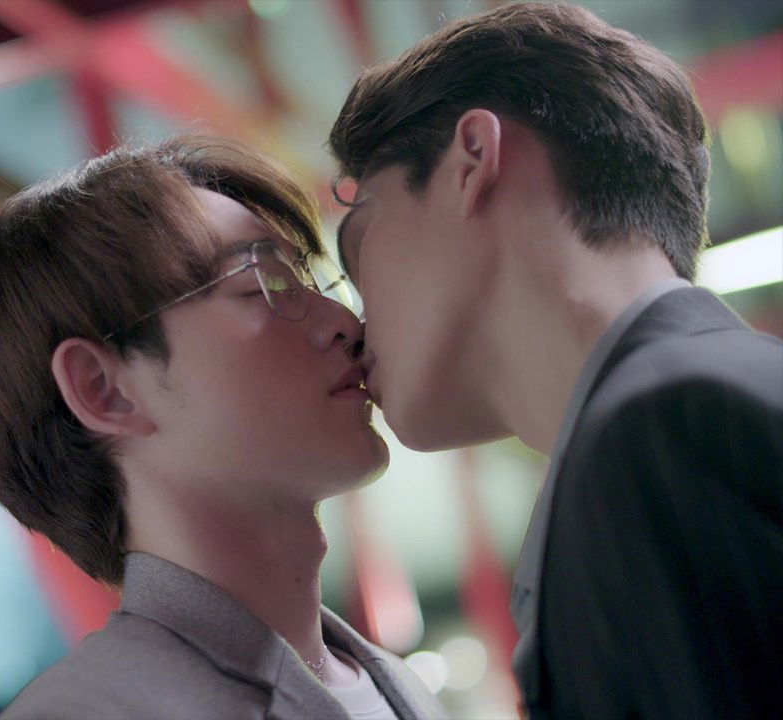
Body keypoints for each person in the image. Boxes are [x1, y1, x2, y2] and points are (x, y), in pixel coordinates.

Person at [327, 3, 783, 719]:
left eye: (357, 238)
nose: (352, 324)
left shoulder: (664, 433)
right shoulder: (693, 409)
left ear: (471, 161)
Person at [0, 136, 444, 719]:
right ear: (103, 389)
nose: (345, 322)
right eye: (263, 284)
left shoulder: (397, 688)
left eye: (310, 281)